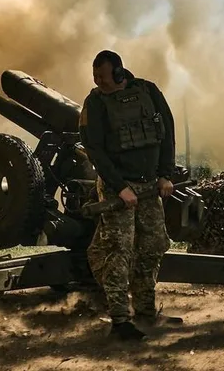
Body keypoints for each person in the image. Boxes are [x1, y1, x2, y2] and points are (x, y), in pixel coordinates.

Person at [79, 50, 179, 341]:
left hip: (151, 186)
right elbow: (94, 149)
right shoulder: (95, 103)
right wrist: (120, 186)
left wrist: (165, 174)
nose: (98, 81)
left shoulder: (147, 91)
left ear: (120, 73)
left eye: (103, 76)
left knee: (153, 246)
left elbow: (167, 132)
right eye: (95, 76)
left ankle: (146, 313)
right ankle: (120, 320)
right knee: (118, 252)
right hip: (117, 188)